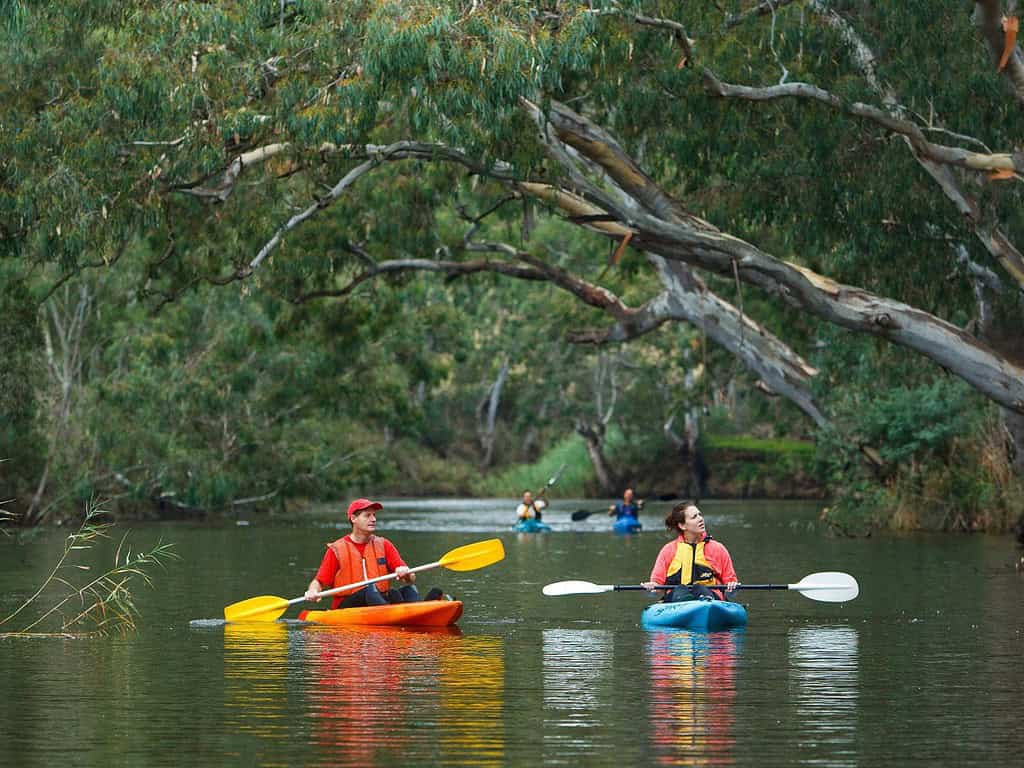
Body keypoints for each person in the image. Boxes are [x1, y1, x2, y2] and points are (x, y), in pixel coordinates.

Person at [304, 498, 440, 609]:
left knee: (409, 589)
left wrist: (407, 573)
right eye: (368, 515)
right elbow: (319, 582)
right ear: (353, 518)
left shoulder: (384, 544)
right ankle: (401, 612)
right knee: (370, 590)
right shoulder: (337, 549)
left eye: (374, 515)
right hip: (348, 606)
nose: (373, 519)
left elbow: (410, 579)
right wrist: (313, 591)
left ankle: (422, 609)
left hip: (378, 601)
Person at [642, 501, 739, 602]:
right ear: (682, 526)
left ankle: (704, 602)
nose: (700, 519)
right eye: (694, 517)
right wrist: (652, 587)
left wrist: (731, 588)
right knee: (680, 590)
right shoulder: (668, 550)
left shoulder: (718, 549)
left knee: (700, 588)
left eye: (700, 515)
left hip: (711, 599)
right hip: (676, 599)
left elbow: (730, 584)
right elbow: (657, 586)